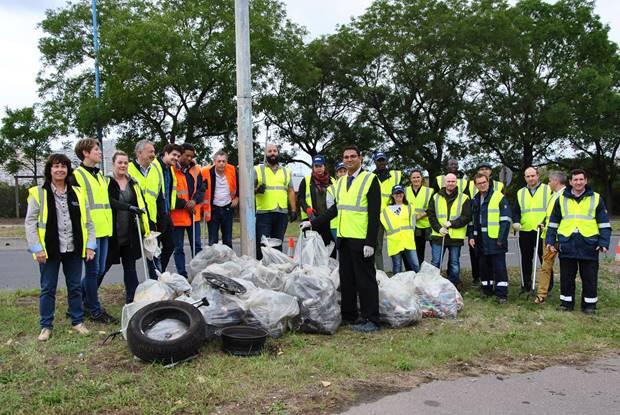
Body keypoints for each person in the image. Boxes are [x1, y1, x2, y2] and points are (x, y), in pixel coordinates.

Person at [301, 145, 381, 333]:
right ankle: (350, 315)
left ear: (360, 158)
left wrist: (371, 242)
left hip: (361, 240)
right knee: (347, 280)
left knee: (365, 280)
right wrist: (313, 223)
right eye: (346, 157)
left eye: (353, 156)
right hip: (344, 238)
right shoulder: (341, 182)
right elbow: (335, 210)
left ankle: (372, 318)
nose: (349, 159)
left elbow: (374, 214)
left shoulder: (370, 180)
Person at [25, 153, 96, 341]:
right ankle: (46, 326)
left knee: (74, 287)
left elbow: (88, 221)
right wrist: (36, 248)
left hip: (73, 248)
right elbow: (30, 222)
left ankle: (77, 321)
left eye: (63, 166)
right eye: (56, 166)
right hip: (49, 250)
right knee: (48, 288)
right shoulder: (38, 193)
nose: (59, 170)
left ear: (68, 170)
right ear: (49, 170)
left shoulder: (78, 192)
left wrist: (90, 246)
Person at [545, 169, 611, 314]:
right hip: (567, 243)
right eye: (575, 180)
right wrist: (550, 240)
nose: (578, 182)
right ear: (570, 182)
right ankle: (566, 304)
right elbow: (553, 222)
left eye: (581, 179)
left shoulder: (596, 198)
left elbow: (604, 224)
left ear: (586, 181)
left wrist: (604, 242)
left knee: (589, 277)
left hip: (589, 244)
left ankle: (589, 306)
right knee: (566, 277)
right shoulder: (561, 199)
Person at [71, 138, 116, 323]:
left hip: (104, 229)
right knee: (93, 271)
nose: (99, 152)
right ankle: (93, 308)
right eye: (96, 149)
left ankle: (77, 302)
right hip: (90, 231)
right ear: (85, 153)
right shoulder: (77, 175)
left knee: (100, 269)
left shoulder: (99, 175)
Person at [100, 151, 150, 304]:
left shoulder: (133, 182)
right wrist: (128, 207)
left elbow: (141, 204)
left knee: (130, 268)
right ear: (113, 164)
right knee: (102, 268)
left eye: (125, 163)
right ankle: (85, 297)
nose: (123, 166)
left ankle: (132, 298)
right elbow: (109, 201)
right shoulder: (105, 181)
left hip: (129, 233)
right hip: (112, 234)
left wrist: (146, 226)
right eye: (120, 163)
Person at [469, 173, 512, 303]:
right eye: (479, 183)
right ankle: (487, 290)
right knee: (483, 265)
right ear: (475, 185)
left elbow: (505, 220)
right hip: (480, 238)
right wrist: (471, 236)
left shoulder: (499, 197)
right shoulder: (475, 199)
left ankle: (501, 294)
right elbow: (472, 221)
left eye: (484, 182)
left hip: (495, 238)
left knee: (499, 267)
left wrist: (501, 238)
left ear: (488, 182)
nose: (482, 185)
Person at [427, 173, 471, 289]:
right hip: (439, 235)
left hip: (455, 236)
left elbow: (466, 217)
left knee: (454, 263)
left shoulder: (464, 198)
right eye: (448, 181)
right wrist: (438, 228)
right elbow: (431, 215)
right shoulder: (436, 197)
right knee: (436, 262)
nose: (450, 183)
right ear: (444, 183)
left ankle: (454, 286)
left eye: (453, 181)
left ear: (456, 183)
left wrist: (452, 223)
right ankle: (433, 285)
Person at [254, 143, 297, 260]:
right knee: (263, 245)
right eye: (270, 151)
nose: (272, 153)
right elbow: (248, 190)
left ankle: (277, 271)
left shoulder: (286, 171)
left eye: (275, 151)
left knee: (277, 244)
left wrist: (293, 210)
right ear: (265, 154)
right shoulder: (257, 169)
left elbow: (291, 190)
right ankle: (262, 270)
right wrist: (257, 190)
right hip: (264, 213)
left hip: (281, 213)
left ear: (278, 153)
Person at [512, 167, 551, 294]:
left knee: (544, 259)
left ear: (538, 176)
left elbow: (552, 209)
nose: (531, 178)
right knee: (526, 259)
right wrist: (516, 221)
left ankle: (547, 287)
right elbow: (516, 211)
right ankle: (526, 284)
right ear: (525, 178)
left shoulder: (547, 190)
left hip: (542, 230)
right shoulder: (520, 192)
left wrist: (545, 222)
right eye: (528, 176)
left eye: (533, 175)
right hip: (525, 230)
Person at [466, 161, 504, 287]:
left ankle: (499, 290)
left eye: (486, 169)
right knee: (480, 260)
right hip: (478, 233)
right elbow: (471, 214)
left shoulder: (499, 187)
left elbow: (504, 214)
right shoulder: (472, 189)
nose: (483, 171)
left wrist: (502, 235)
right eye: (481, 169)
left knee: (496, 262)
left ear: (490, 173)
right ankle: (482, 283)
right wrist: (471, 235)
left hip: (493, 234)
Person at [171, 143, 205, 277]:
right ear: (180, 154)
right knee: (178, 248)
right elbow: (170, 193)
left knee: (197, 245)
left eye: (191, 156)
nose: (189, 159)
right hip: (178, 215)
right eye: (187, 156)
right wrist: (185, 204)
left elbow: (202, 189)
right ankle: (182, 275)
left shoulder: (196, 169)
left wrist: (194, 201)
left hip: (193, 215)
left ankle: (198, 274)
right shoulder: (172, 169)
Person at [533, 171, 567, 304]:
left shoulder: (566, 196)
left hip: (560, 237)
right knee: (546, 266)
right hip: (548, 235)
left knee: (560, 267)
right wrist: (544, 223)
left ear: (556, 181)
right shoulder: (553, 196)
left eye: (550, 181)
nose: (548, 183)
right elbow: (551, 216)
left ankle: (561, 294)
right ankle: (542, 294)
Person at [298, 155, 336, 257]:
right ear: (313, 167)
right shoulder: (306, 180)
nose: (318, 168)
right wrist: (307, 208)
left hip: (329, 219)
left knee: (330, 247)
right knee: (312, 249)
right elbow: (300, 198)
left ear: (325, 166)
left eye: (321, 166)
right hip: (312, 219)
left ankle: (329, 270)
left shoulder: (332, 181)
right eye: (316, 166)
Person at [202, 150, 238, 248]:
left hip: (227, 207)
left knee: (228, 239)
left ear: (227, 162)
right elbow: (200, 189)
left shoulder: (233, 170)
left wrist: (237, 198)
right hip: (213, 209)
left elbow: (239, 185)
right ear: (214, 162)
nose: (221, 164)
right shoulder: (206, 172)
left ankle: (229, 261)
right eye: (219, 161)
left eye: (224, 161)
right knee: (213, 240)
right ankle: (214, 261)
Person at [372, 151, 402, 271]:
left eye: (383, 160)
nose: (381, 163)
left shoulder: (395, 176)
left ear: (386, 161)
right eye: (379, 160)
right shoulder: (371, 177)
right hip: (378, 217)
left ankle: (398, 272)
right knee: (377, 246)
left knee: (396, 244)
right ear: (375, 162)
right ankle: (381, 272)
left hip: (392, 216)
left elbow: (401, 195)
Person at [157, 143, 184, 272]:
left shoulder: (170, 169)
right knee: (154, 249)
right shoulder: (156, 167)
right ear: (166, 153)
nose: (176, 158)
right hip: (156, 214)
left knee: (170, 245)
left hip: (167, 213)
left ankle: (159, 272)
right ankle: (155, 275)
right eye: (174, 155)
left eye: (178, 156)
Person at [380, 185, 419, 274]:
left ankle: (418, 284)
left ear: (403, 194)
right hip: (394, 241)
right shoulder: (385, 211)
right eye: (396, 193)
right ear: (392, 195)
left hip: (408, 240)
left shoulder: (409, 207)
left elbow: (413, 223)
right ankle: (396, 286)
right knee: (397, 266)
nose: (398, 195)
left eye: (400, 193)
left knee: (415, 264)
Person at [405, 168, 434, 265]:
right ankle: (417, 270)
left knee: (430, 250)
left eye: (418, 177)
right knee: (417, 249)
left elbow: (432, 207)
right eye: (413, 177)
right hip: (413, 225)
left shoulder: (429, 191)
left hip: (427, 225)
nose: (416, 179)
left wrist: (421, 215)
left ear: (422, 178)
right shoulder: (405, 191)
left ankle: (430, 270)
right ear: (410, 179)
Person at [328, 161, 348, 241]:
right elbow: (330, 209)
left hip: (350, 225)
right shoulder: (331, 189)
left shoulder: (353, 185)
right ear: (336, 173)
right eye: (340, 171)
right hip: (336, 225)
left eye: (345, 171)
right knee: (340, 250)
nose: (343, 174)